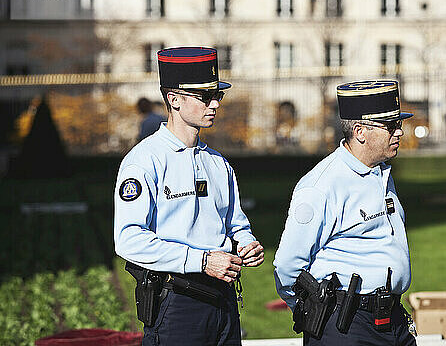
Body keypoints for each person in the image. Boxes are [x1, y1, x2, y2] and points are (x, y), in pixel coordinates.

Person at [114, 46, 264, 346]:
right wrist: (202, 260)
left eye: (217, 95)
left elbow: (235, 221)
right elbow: (129, 240)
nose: (215, 104)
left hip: (223, 299)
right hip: (177, 303)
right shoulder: (144, 161)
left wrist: (247, 242)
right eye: (204, 97)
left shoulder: (218, 162)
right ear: (174, 100)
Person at [274, 80, 416, 346]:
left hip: (391, 319)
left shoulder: (380, 171)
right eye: (390, 126)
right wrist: (311, 309)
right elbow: (287, 265)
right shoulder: (322, 185)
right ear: (360, 131)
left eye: (399, 124)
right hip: (345, 323)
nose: (399, 132)